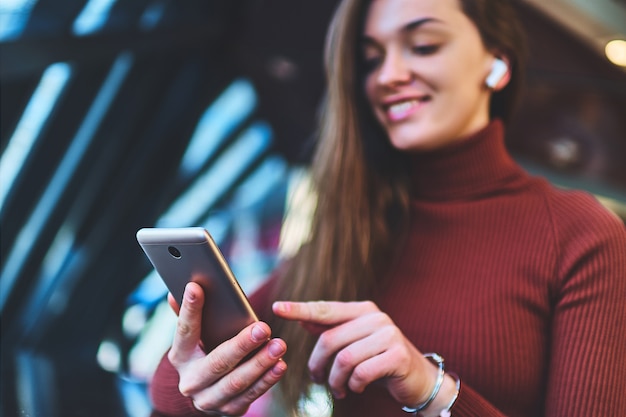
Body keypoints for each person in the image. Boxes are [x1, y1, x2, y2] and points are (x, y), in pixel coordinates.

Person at [149, 0, 626, 416]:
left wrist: (428, 387)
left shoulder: (580, 234)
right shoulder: (354, 230)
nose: (389, 76)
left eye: (423, 46)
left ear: (497, 63)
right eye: (371, 59)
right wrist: (194, 378)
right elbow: (175, 392)